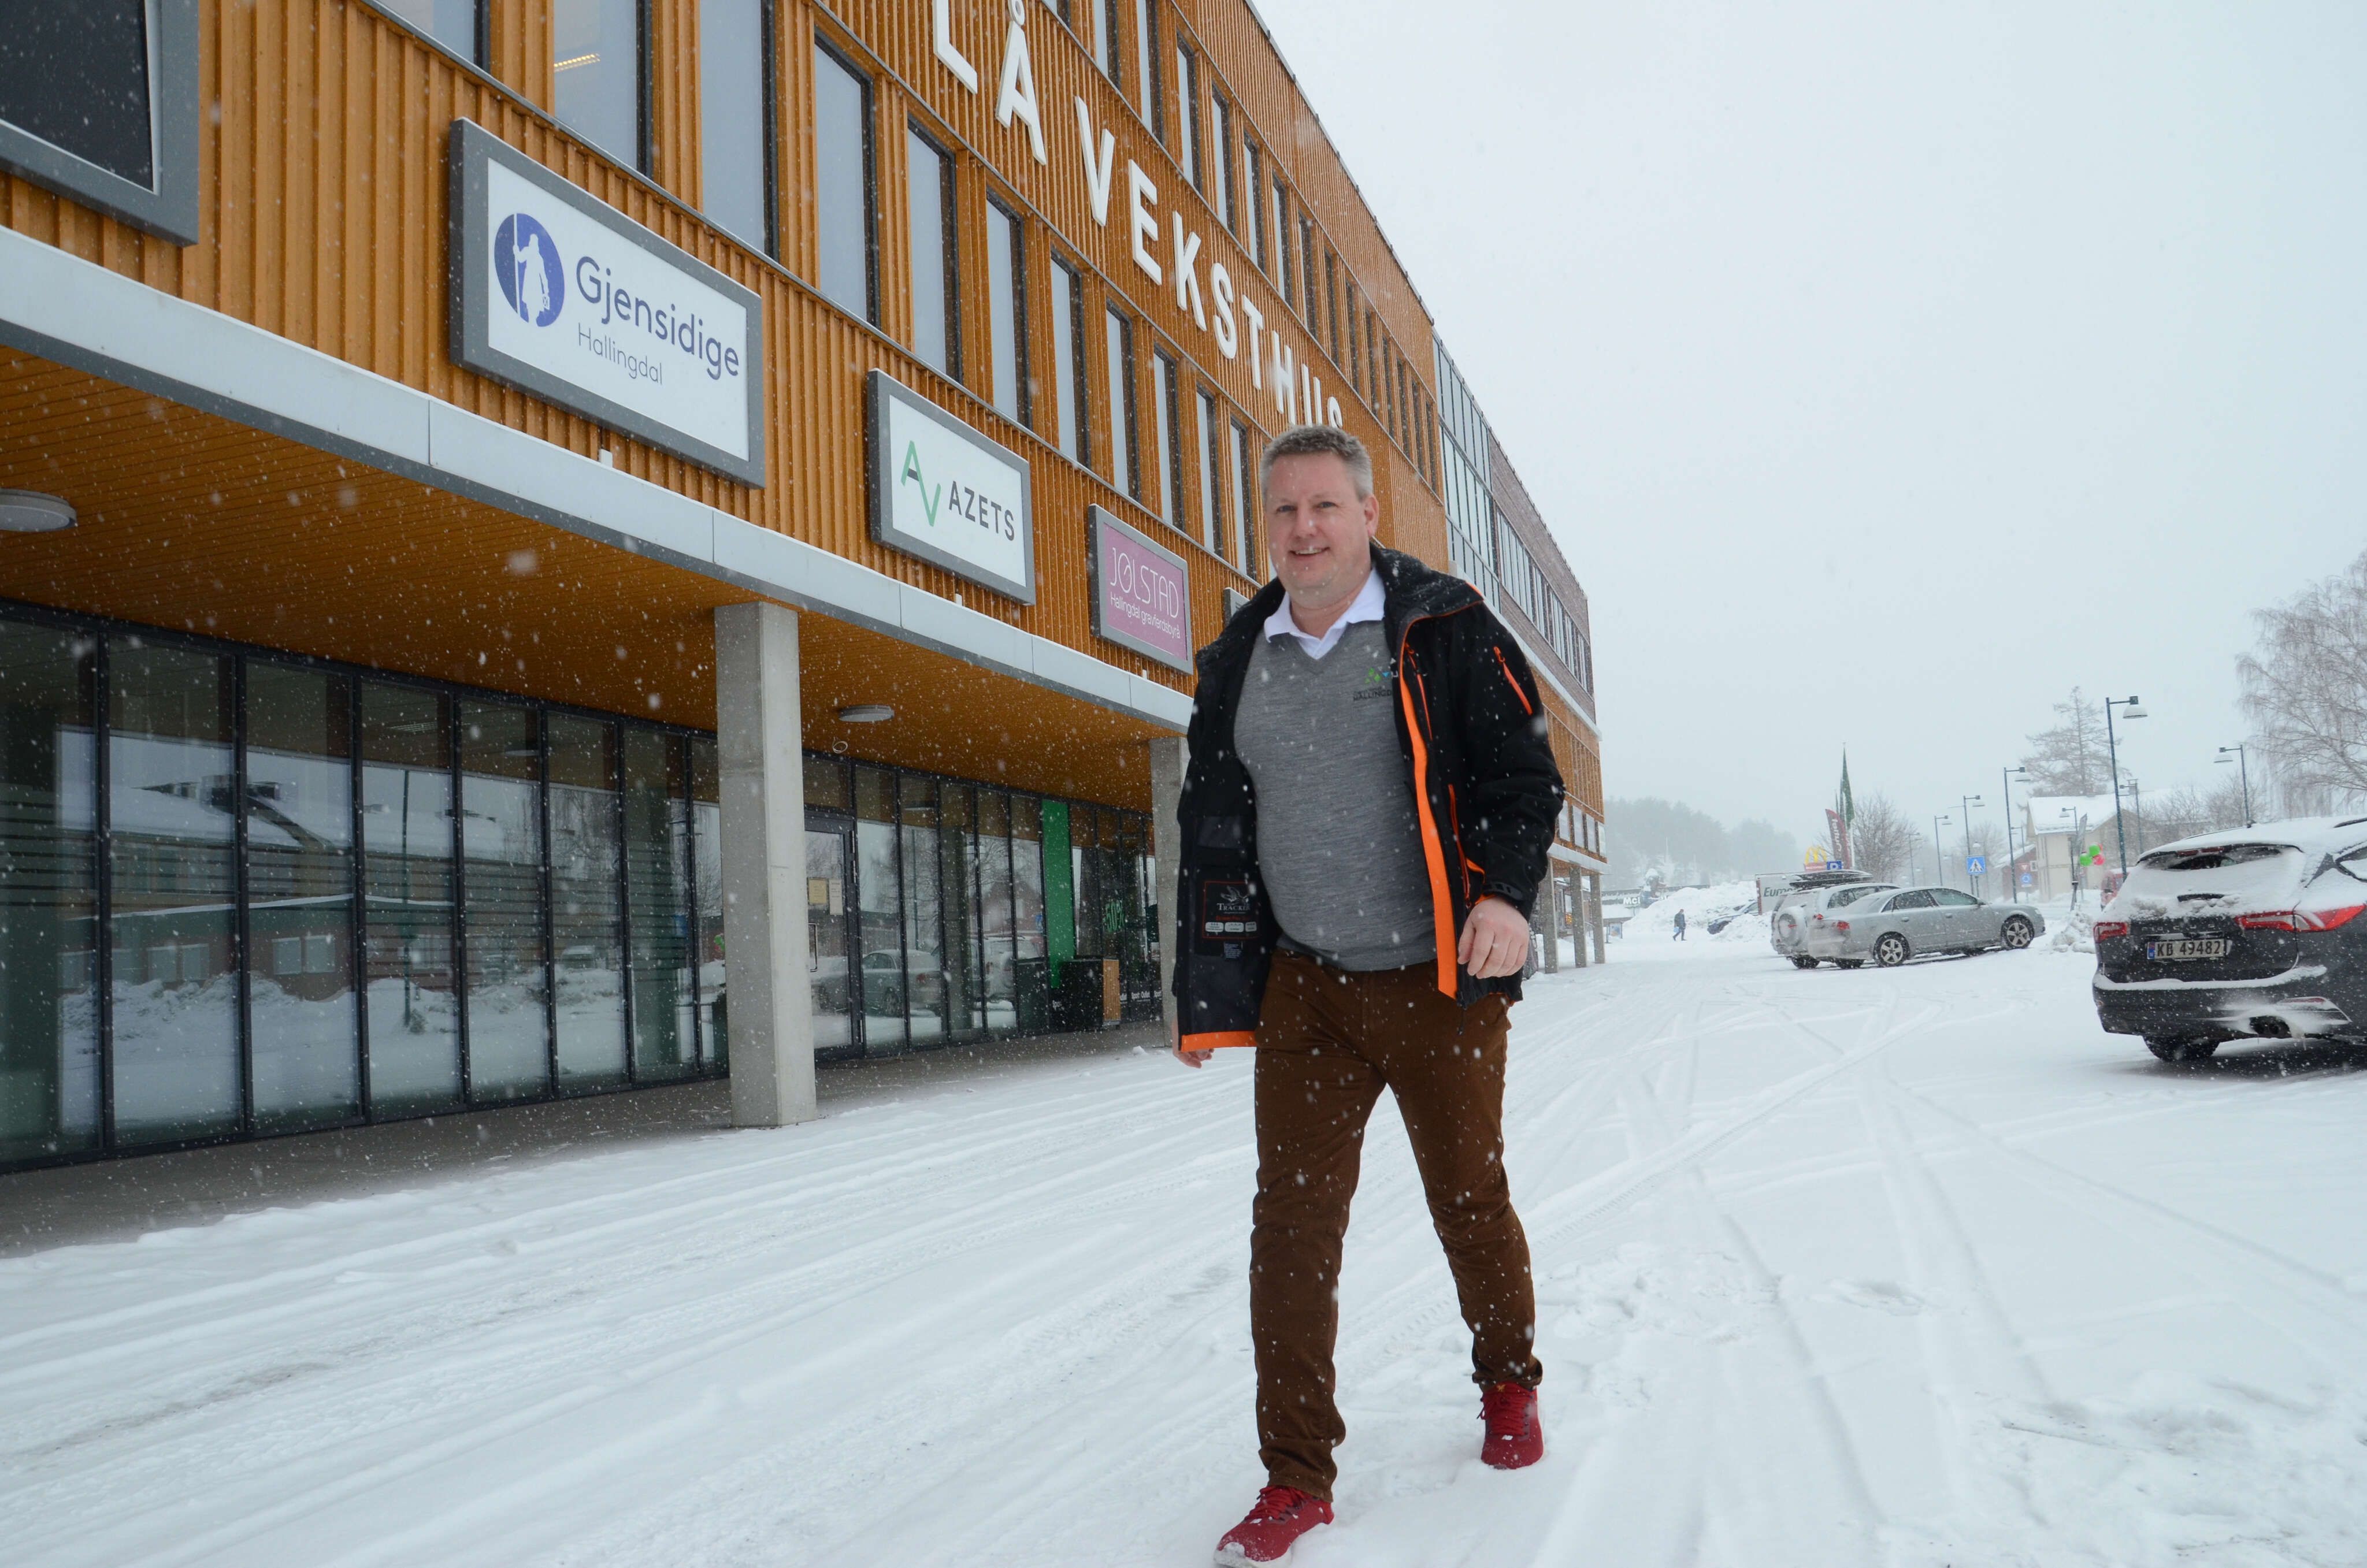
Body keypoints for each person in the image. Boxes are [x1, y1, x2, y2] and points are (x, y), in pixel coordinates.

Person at [1171, 425, 1564, 1565]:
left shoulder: (1442, 627)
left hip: (1440, 978)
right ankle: (1294, 1475)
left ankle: (1507, 1378)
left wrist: (1506, 896)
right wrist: (1208, 987)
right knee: (1289, 1229)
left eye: (1324, 507)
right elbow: (1214, 833)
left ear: (1366, 515)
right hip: (1308, 989)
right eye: (1284, 510)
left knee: (1467, 1195)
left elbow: (1522, 777)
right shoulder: (1233, 661)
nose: (1303, 530)